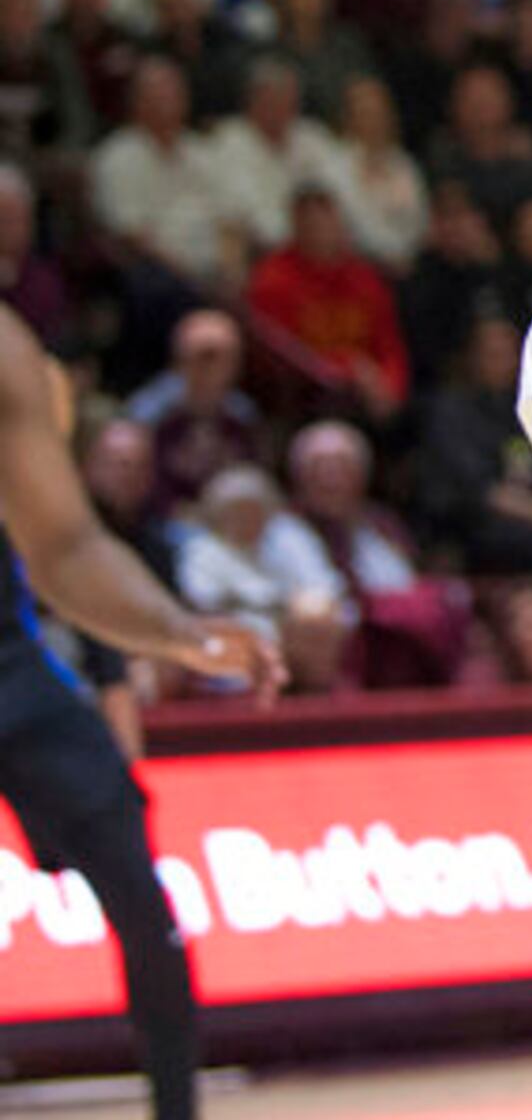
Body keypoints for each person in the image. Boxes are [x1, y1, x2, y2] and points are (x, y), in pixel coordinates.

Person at [0, 307, 283, 1120]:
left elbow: (65, 547)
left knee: (136, 882)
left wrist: (179, 632)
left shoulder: (7, 350)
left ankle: (176, 1106)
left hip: (12, 665)